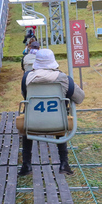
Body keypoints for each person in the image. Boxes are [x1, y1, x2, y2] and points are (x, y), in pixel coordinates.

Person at [18, 48, 85, 176]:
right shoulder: (64, 79)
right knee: (60, 114)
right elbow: (79, 98)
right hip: (58, 123)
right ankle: (64, 163)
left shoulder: (27, 78)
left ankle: (26, 164)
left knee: (27, 120)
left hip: (33, 123)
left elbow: (24, 95)